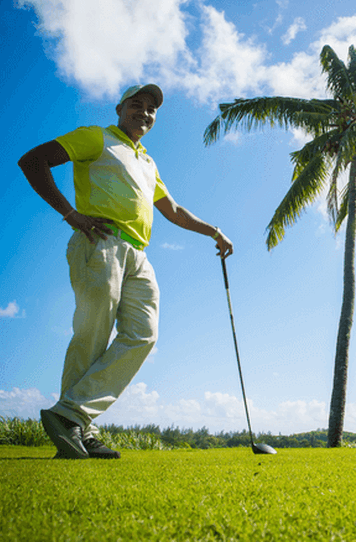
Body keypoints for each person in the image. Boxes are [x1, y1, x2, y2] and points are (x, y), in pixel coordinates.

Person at [18, 84, 233, 459]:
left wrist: (213, 230)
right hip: (100, 241)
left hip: (138, 253)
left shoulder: (148, 162)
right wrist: (70, 214)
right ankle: (80, 428)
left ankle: (71, 416)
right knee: (93, 335)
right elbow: (32, 160)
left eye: (152, 109)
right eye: (137, 105)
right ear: (120, 109)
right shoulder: (95, 137)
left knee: (143, 334)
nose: (145, 112)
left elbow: (174, 210)